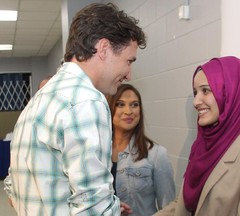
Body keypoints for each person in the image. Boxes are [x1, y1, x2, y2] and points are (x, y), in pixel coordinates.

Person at [4, 3, 146, 215]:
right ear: (104, 48)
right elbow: (93, 209)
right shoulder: (86, 101)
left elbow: (13, 188)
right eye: (128, 61)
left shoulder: (39, 99)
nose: (129, 74)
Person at [154, 56, 240, 216]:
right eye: (195, 92)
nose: (196, 101)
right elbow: (182, 205)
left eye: (206, 90)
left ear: (231, 93)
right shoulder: (203, 145)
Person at [106, 84, 175, 216]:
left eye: (134, 105)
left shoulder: (156, 154)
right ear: (110, 108)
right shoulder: (98, 152)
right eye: (120, 104)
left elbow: (168, 208)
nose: (129, 111)